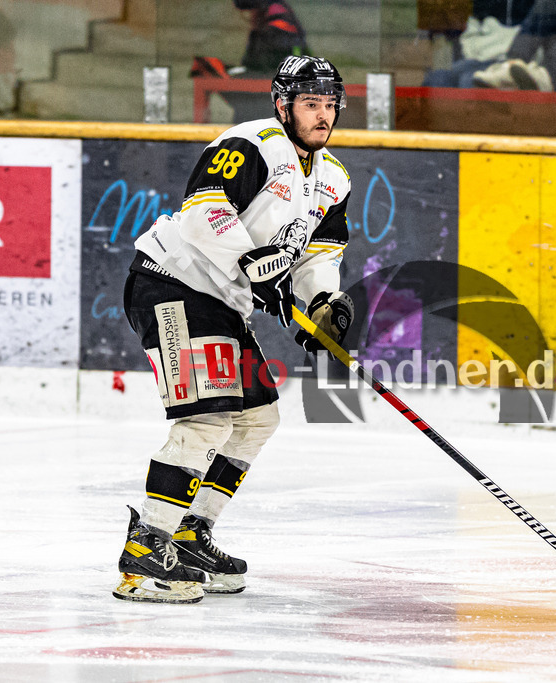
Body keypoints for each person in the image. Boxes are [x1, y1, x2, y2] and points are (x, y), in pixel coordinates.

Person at [113, 55, 356, 604]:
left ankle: (189, 534)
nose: (322, 116)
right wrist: (255, 262)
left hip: (222, 301)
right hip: (172, 284)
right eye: (310, 104)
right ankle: (145, 551)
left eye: (329, 106)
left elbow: (319, 253)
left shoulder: (334, 180)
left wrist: (320, 303)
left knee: (256, 419)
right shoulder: (251, 143)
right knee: (207, 418)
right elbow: (203, 212)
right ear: (283, 105)